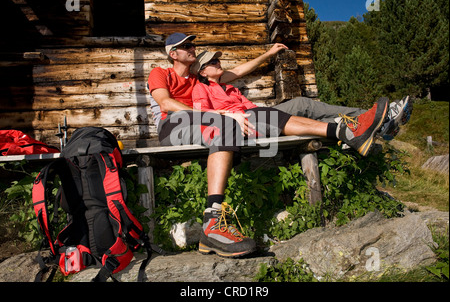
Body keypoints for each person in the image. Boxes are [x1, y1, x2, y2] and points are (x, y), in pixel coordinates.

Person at [147, 33, 398, 258]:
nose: (192, 47)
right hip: (175, 126)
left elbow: (238, 71)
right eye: (186, 45)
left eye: (192, 44)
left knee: (270, 115)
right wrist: (222, 115)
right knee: (229, 125)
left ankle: (350, 129)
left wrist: (267, 54)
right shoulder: (161, 72)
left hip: (207, 122)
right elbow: (167, 104)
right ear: (173, 54)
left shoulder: (198, 78)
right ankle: (213, 221)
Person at [191, 50, 389, 156]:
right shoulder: (201, 88)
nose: (218, 63)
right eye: (213, 63)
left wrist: (269, 53)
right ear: (202, 72)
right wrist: (231, 116)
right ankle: (350, 131)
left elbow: (247, 93)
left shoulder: (230, 88)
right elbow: (202, 114)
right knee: (271, 116)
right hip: (241, 124)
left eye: (218, 60)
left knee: (303, 104)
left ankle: (373, 117)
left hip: (257, 113)